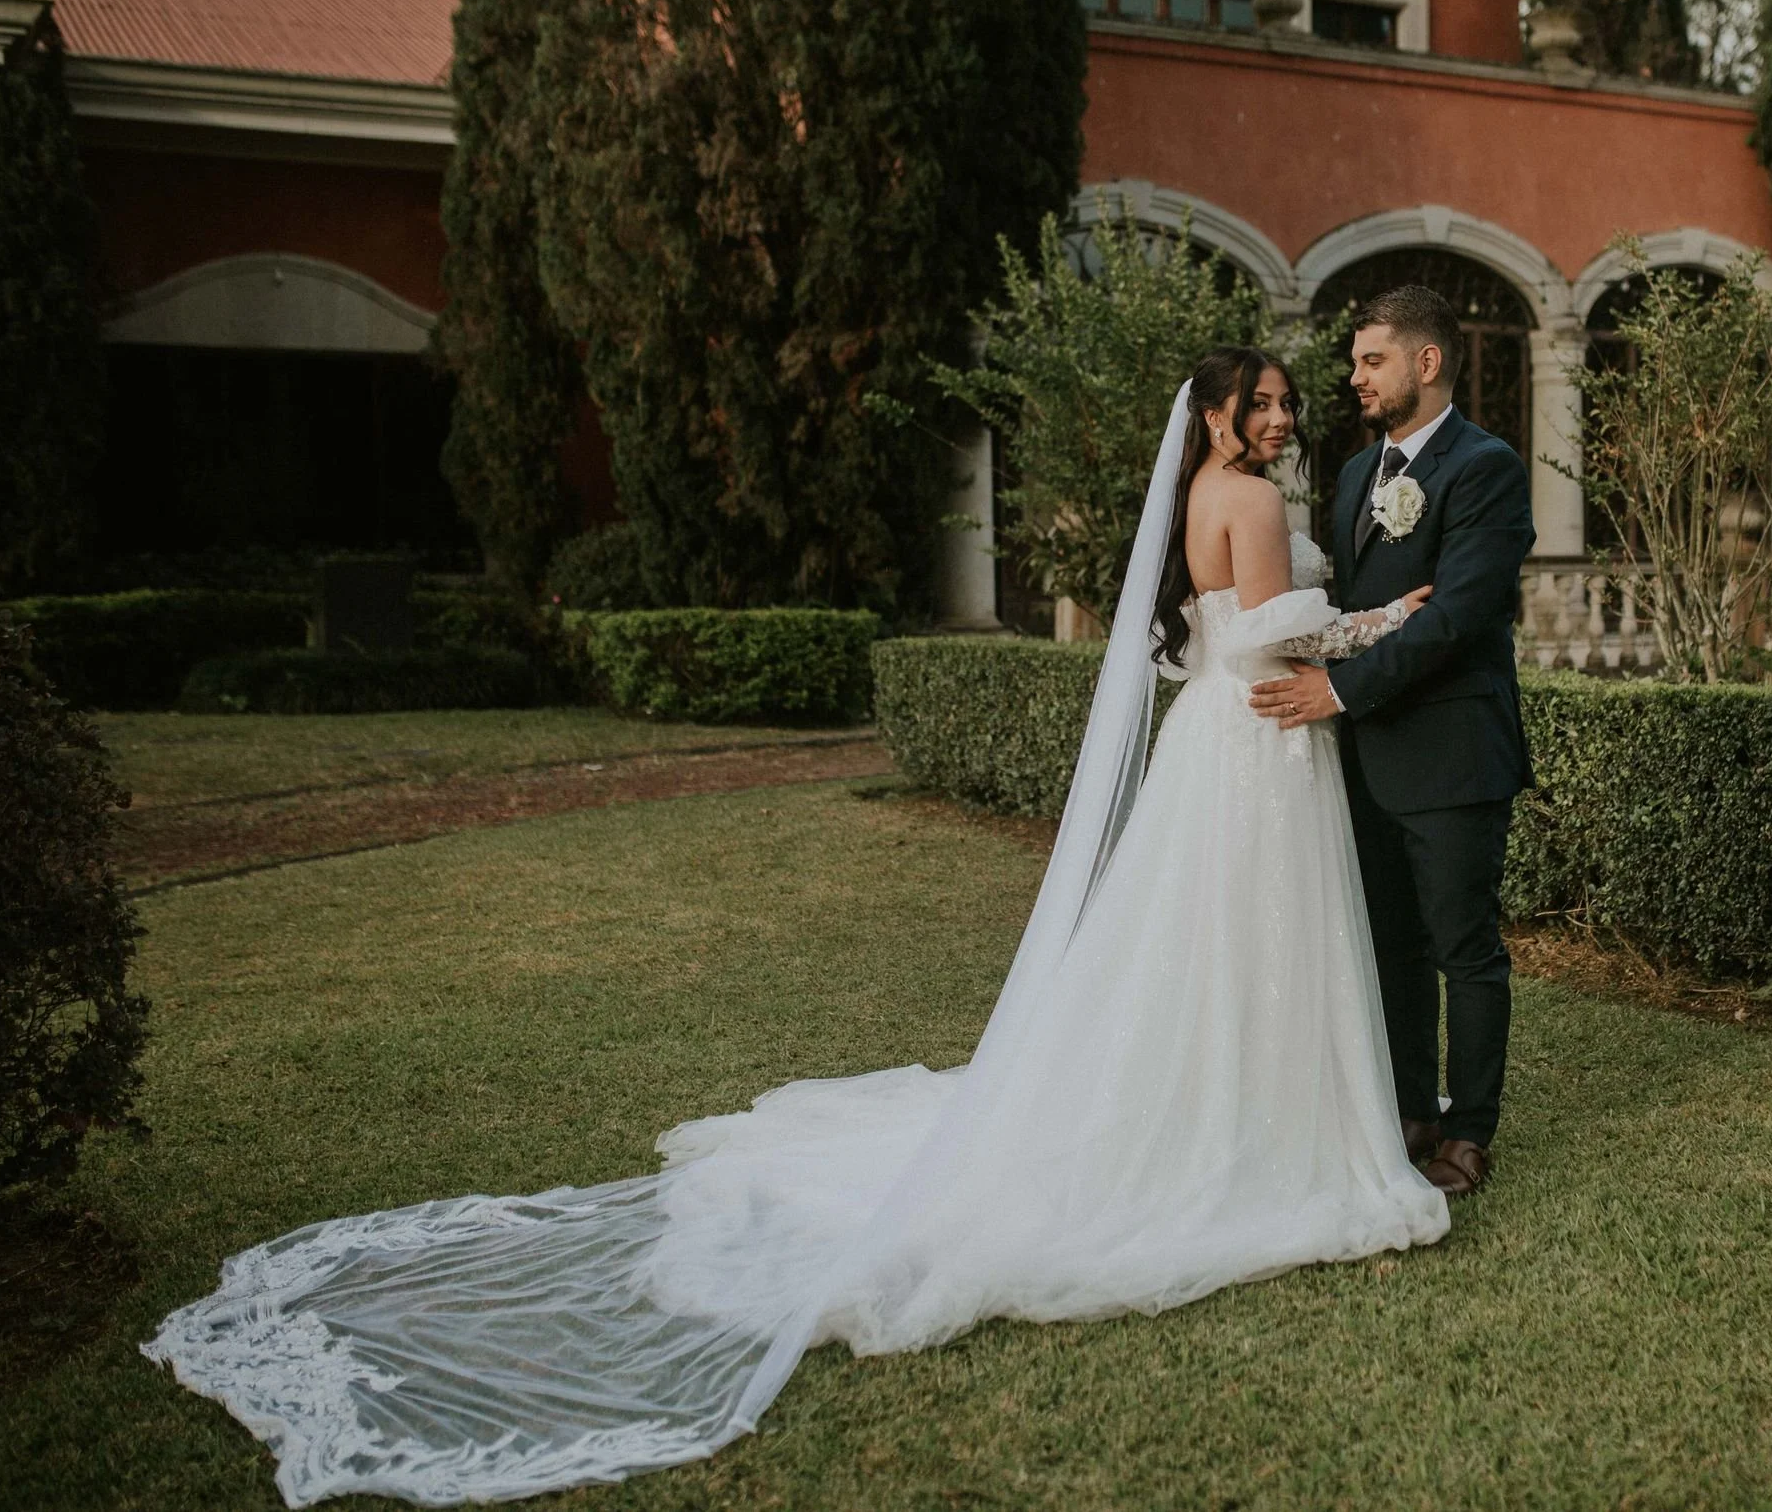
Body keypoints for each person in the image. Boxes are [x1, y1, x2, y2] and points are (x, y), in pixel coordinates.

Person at [143, 346, 1450, 1507]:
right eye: (1260, 400)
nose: (1280, 417)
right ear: (1217, 415)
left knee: (1202, 953)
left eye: (1285, 400)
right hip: (1263, 747)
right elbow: (1278, 638)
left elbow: (1203, 640)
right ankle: (1256, 1126)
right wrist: (1391, 617)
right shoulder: (1255, 499)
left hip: (1213, 748)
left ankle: (1216, 1097)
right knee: (1248, 946)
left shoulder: (1190, 504)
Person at [1249, 285, 1538, 1200]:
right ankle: (1411, 1110)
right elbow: (1347, 609)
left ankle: (1470, 1132)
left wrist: (1334, 687)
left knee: (1465, 949)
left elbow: (1457, 617)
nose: (1355, 377)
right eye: (1355, 361)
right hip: (1365, 758)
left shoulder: (1486, 467)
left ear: (1426, 361)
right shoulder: (1351, 477)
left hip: (1453, 757)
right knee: (1392, 947)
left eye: (1372, 359)